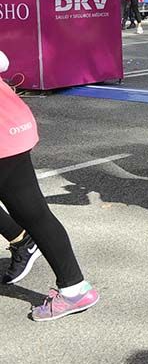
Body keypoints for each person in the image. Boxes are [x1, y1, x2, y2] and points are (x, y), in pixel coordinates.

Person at [0, 51, 100, 321]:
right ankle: (24, 243)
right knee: (33, 213)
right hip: (9, 124)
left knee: (33, 213)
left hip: (4, 133)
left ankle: (74, 289)